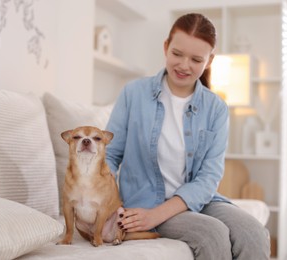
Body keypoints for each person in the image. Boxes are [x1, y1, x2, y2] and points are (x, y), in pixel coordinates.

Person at [105, 13, 270, 260]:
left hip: (199, 201)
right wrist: (108, 204)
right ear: (165, 47)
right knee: (211, 234)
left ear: (209, 60)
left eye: (196, 59)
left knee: (253, 232)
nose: (184, 65)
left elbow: (209, 176)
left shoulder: (216, 108)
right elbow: (109, 154)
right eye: (177, 54)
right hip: (146, 202)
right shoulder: (133, 94)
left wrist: (158, 215)